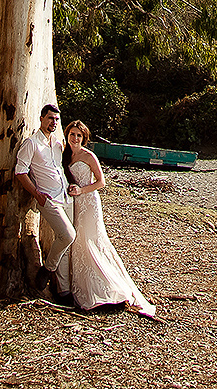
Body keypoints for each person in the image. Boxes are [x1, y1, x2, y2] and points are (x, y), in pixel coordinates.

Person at [60, 121, 156, 317]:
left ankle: (106, 288)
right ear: (67, 135)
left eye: (79, 135)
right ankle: (82, 287)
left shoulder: (89, 155)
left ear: (83, 138)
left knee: (89, 241)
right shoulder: (64, 155)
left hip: (89, 202)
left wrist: (81, 190)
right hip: (74, 203)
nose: (75, 138)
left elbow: (101, 182)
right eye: (72, 134)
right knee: (77, 241)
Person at [13, 104, 74, 300]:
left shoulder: (57, 143)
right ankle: (46, 270)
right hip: (47, 198)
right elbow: (20, 172)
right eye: (50, 118)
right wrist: (36, 193)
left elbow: (60, 168)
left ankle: (64, 290)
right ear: (41, 118)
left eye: (56, 119)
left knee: (69, 244)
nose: (53, 123)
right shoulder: (31, 143)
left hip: (65, 195)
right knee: (68, 235)